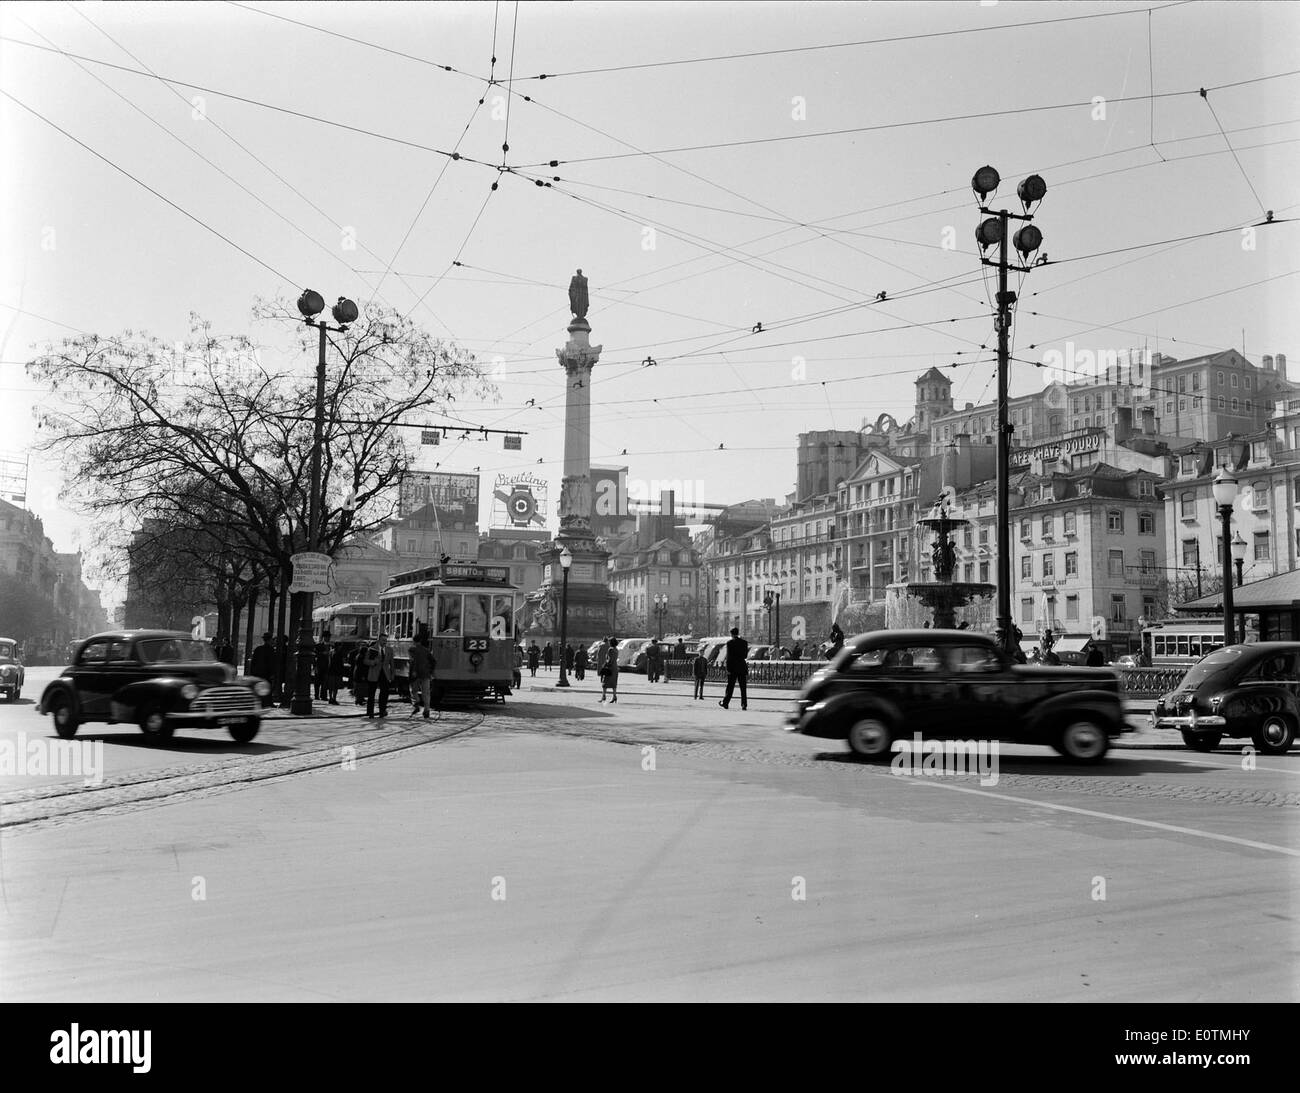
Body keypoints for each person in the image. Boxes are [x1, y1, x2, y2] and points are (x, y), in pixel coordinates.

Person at [362, 632, 395, 719]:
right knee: (371, 693)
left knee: (384, 693)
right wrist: (372, 662)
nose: (385, 642)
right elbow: (365, 661)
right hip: (374, 673)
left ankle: (382, 711)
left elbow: (392, 663)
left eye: (386, 640)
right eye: (383, 640)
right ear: (379, 640)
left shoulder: (389, 650)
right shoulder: (372, 649)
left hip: (385, 674)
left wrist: (392, 674)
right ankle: (370, 712)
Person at [719, 627, 749, 710]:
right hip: (742, 667)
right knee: (743, 688)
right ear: (738, 633)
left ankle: (725, 703)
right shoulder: (744, 643)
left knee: (730, 687)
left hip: (732, 668)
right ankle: (744, 704)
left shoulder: (730, 643)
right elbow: (745, 656)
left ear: (731, 634)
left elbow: (729, 657)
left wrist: (728, 668)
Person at [407, 633, 435, 719]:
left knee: (413, 690)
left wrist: (413, 671)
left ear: (413, 641)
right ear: (421, 641)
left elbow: (413, 661)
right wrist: (431, 672)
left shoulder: (411, 650)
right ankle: (427, 710)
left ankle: (417, 702)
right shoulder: (426, 650)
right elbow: (433, 661)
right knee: (426, 693)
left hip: (416, 674)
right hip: (425, 674)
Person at [249, 631, 275, 708]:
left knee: (258, 688)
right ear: (270, 640)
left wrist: (252, 672)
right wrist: (272, 673)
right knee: (268, 688)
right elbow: (271, 662)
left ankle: (259, 702)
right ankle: (268, 703)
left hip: (258, 672)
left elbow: (253, 661)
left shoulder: (258, 649)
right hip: (266, 673)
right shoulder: (271, 650)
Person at [600, 637, 619, 703]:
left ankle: (604, 696)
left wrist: (605, 665)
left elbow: (609, 659)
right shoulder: (616, 649)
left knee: (605, 682)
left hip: (610, 667)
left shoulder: (610, 649)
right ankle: (614, 696)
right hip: (615, 667)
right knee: (614, 683)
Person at [314, 635, 332, 701]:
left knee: (325, 682)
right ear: (323, 638)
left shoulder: (331, 646)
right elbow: (315, 654)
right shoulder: (318, 645)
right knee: (317, 682)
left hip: (327, 666)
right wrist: (322, 653)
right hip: (319, 665)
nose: (328, 638)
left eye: (328, 637)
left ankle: (323, 696)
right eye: (326, 637)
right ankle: (316, 695)